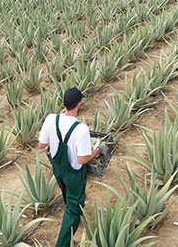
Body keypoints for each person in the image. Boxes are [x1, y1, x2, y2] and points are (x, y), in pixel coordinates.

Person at [38, 87, 108, 247]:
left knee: (68, 196)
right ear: (79, 105)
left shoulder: (51, 119)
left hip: (57, 168)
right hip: (74, 173)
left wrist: (55, 137)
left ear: (63, 102)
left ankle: (75, 211)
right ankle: (63, 244)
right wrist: (98, 150)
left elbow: (41, 145)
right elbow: (83, 159)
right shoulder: (81, 129)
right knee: (73, 208)